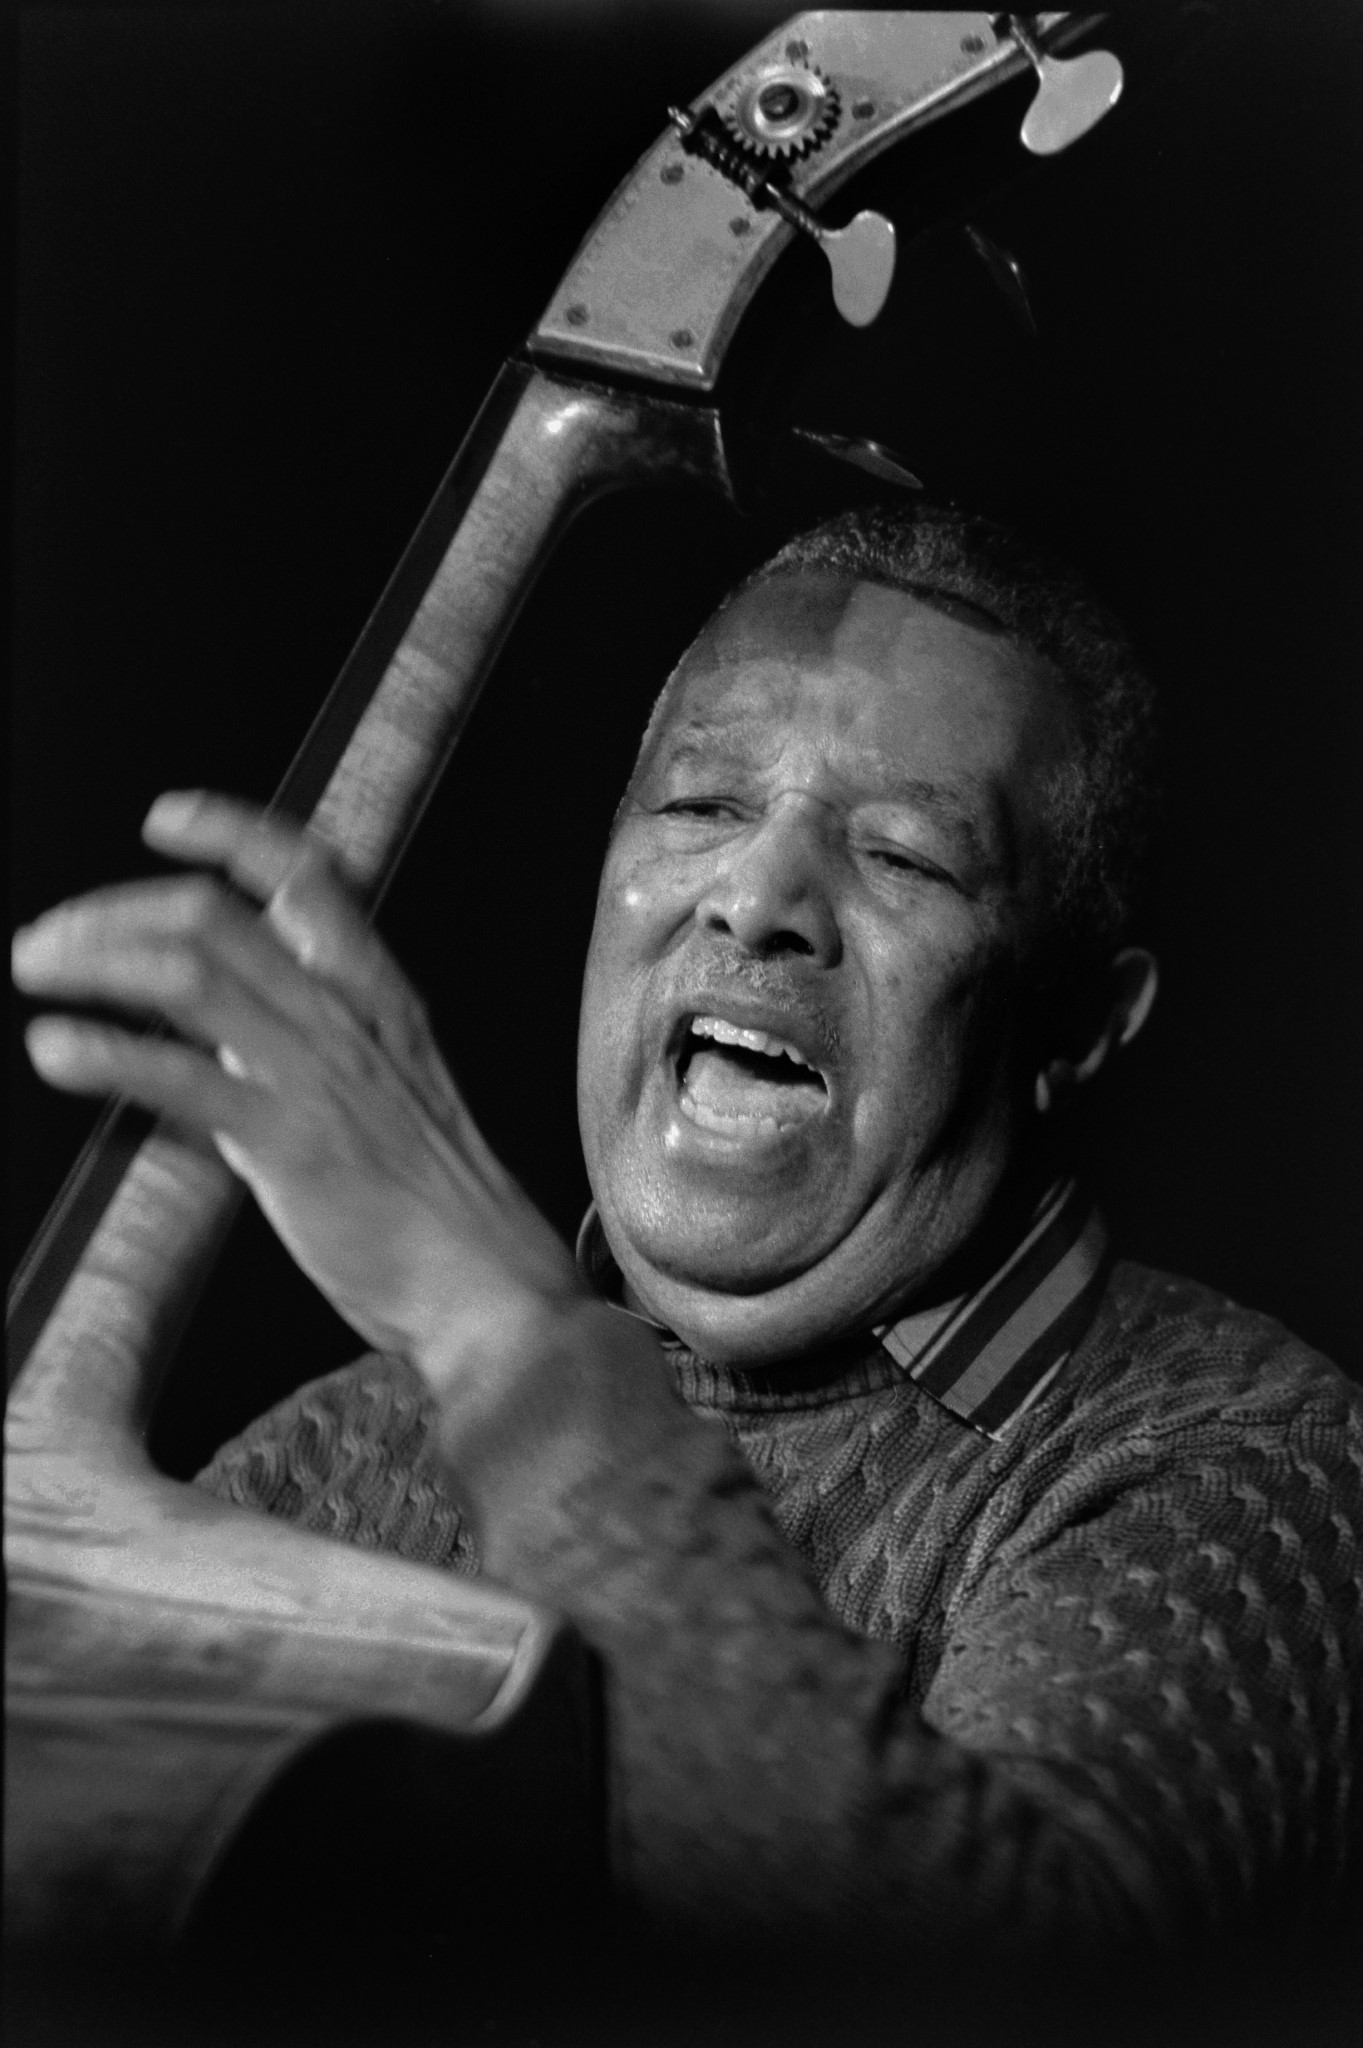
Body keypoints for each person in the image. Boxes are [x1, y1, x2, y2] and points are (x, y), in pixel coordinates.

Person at [12, 503, 1362, 1976]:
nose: (760, 898)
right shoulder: (341, 1453)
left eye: (906, 856)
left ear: (1083, 1023)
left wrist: (502, 1329)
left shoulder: (1250, 1460)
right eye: (703, 806)